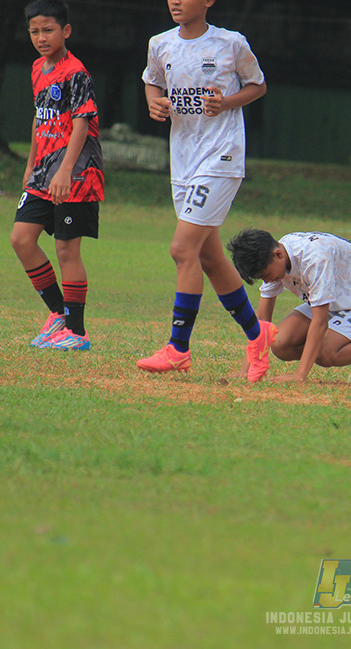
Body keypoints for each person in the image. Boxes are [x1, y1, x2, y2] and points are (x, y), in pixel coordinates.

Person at [136, 0, 275, 381]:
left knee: (182, 249)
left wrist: (227, 102)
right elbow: (151, 80)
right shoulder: (160, 43)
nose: (176, 1)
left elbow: (258, 85)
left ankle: (178, 348)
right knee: (210, 258)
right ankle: (258, 335)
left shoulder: (231, 43)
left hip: (220, 158)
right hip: (183, 162)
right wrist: (154, 103)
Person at [10, 0, 104, 351]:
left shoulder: (76, 72)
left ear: (66, 31)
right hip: (43, 172)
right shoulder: (38, 68)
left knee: (66, 250)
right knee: (21, 239)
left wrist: (65, 171)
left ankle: (77, 333)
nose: (41, 37)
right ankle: (57, 313)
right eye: (34, 31)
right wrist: (31, 164)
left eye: (48, 30)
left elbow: (81, 124)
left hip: (75, 174)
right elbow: (40, 117)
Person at [226, 229, 351, 386]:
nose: (267, 281)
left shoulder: (314, 259)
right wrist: (247, 368)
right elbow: (263, 319)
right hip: (334, 300)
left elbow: (319, 323)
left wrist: (299, 375)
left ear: (278, 254)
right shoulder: (276, 255)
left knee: (324, 352)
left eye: (266, 275)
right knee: (280, 344)